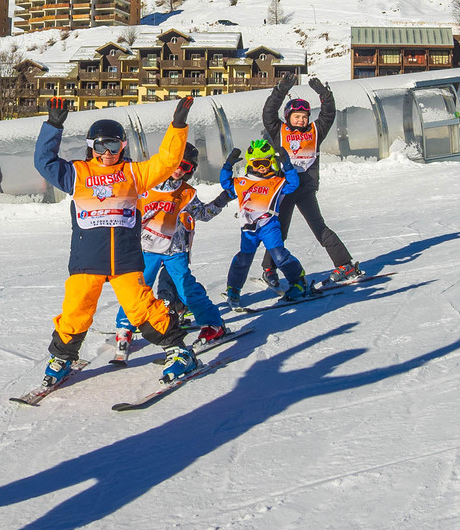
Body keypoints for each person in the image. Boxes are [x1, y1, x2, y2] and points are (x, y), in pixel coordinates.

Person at [33, 95, 197, 390]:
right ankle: (61, 358)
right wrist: (53, 127)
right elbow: (44, 162)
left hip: (125, 259)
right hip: (87, 259)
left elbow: (167, 161)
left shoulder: (134, 173)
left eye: (113, 145)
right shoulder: (77, 173)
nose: (107, 153)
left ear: (123, 145)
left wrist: (177, 126)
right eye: (100, 146)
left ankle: (178, 350)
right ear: (90, 146)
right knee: (76, 309)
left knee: (141, 307)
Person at [112, 144, 233, 359]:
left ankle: (213, 324)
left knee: (186, 288)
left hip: (175, 250)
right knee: (137, 289)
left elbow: (203, 214)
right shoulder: (145, 184)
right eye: (177, 164)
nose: (179, 170)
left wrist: (223, 199)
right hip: (146, 248)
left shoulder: (187, 192)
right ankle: (125, 327)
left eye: (186, 167)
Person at [262, 72, 360, 286]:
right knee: (279, 231)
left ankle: (345, 264)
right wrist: (281, 90)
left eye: (304, 116)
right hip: (285, 189)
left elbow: (328, 113)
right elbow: (269, 113)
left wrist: (324, 94)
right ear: (288, 117)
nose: (301, 120)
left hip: (305, 189)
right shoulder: (279, 130)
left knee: (319, 228)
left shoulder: (316, 130)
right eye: (297, 116)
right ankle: (269, 269)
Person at [221, 139, 312, 304]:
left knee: (279, 255)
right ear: (250, 164)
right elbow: (225, 183)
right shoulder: (243, 182)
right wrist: (228, 165)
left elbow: (293, 184)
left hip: (269, 225)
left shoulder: (276, 182)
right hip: (248, 228)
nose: (261, 167)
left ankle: (299, 282)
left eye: (265, 163)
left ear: (272, 162)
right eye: (257, 164)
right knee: (243, 259)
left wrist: (287, 164)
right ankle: (233, 288)